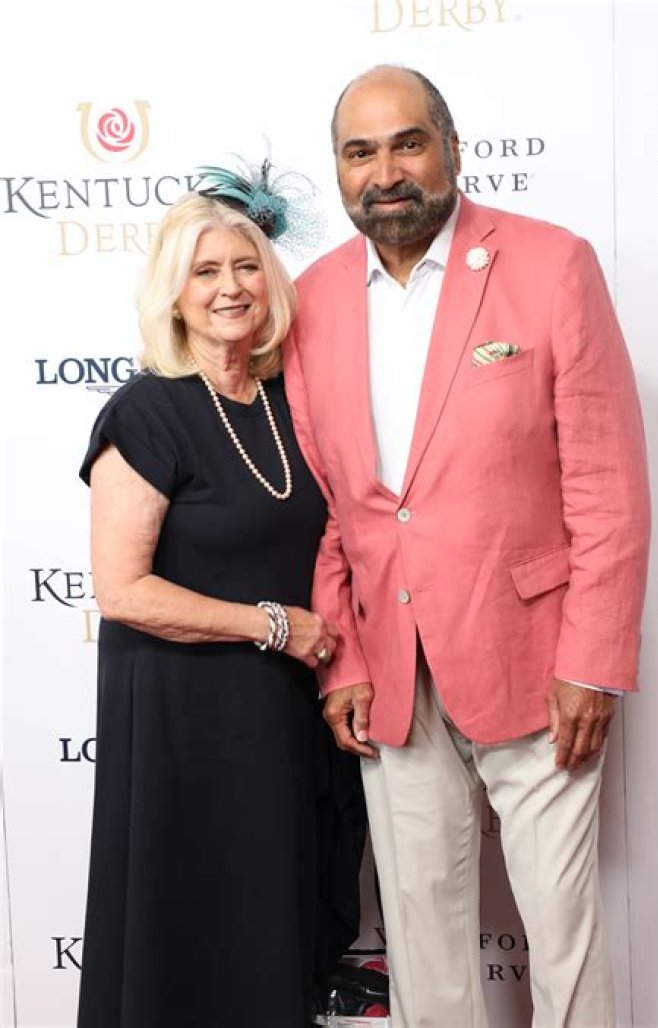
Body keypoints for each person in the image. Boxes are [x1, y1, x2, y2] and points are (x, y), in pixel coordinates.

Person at [283, 65, 651, 1028]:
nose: (385, 172)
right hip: (389, 668)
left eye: (408, 143)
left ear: (450, 147)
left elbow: (608, 484)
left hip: (538, 659)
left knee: (562, 932)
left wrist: (593, 661)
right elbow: (327, 508)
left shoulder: (551, 264)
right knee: (420, 934)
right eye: (360, 153)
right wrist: (341, 661)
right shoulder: (312, 299)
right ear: (338, 169)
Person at [77, 169, 339, 1028]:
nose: (231, 288)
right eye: (206, 271)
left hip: (284, 712)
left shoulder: (291, 402)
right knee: (187, 922)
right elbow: (122, 590)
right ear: (174, 291)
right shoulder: (146, 412)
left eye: (246, 266)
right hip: (181, 719)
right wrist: (273, 626)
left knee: (274, 924)